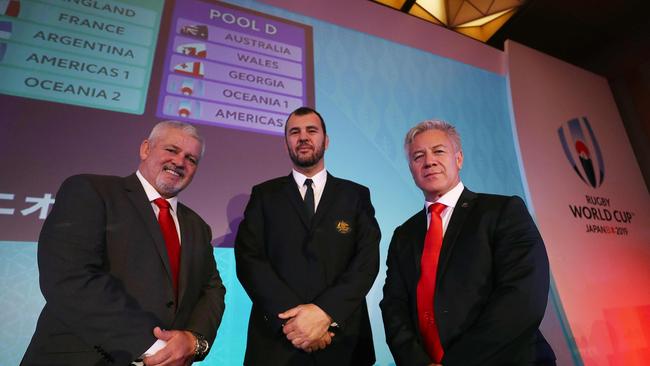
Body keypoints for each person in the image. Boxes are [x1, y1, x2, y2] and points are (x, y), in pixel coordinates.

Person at [22, 121, 226, 366]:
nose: (180, 162)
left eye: (191, 159)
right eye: (171, 150)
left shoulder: (197, 226)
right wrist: (153, 347)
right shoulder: (91, 191)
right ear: (145, 149)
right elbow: (70, 277)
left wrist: (194, 340)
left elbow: (211, 289)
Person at [380, 120, 556, 366]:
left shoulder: (502, 211)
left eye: (439, 151)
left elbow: (522, 298)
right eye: (418, 156)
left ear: (459, 159)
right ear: (411, 168)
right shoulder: (404, 235)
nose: (429, 161)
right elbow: (393, 306)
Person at [235, 107, 381, 365]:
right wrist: (297, 324)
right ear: (286, 143)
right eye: (294, 132)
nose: (303, 137)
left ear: (326, 140)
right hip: (276, 345)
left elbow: (366, 262)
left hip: (343, 343)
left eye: (311, 131)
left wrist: (325, 314)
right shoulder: (264, 196)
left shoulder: (356, 196)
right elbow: (249, 260)